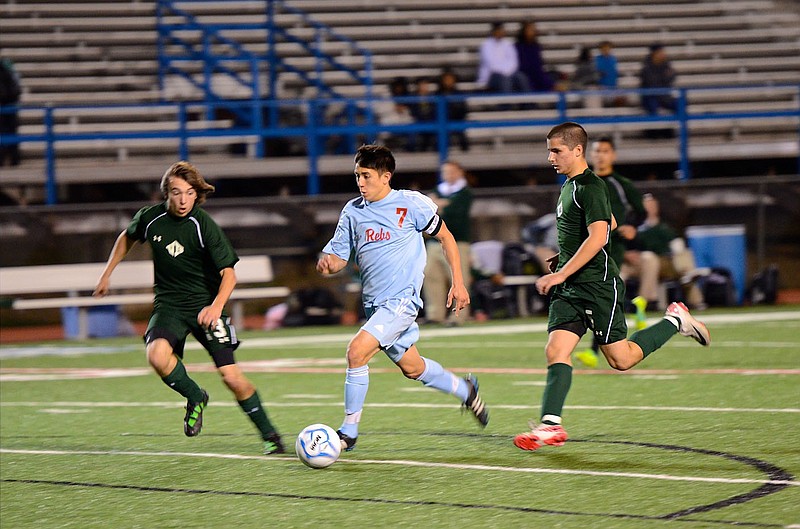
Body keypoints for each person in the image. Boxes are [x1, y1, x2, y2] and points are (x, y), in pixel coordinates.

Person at [513, 122, 710, 452]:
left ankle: (676, 320)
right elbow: (609, 224)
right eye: (549, 150)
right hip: (571, 287)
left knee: (621, 360)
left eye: (556, 150)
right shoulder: (570, 186)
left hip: (596, 286)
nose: (550, 157)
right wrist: (565, 259)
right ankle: (550, 425)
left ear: (577, 150)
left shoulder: (589, 186)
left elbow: (601, 235)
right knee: (555, 351)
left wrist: (561, 273)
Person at [93, 161, 285, 455]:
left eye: (189, 193)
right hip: (169, 305)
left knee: (232, 378)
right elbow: (126, 237)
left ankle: (270, 435)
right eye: (176, 192)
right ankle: (196, 396)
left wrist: (215, 307)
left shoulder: (203, 225)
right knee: (156, 355)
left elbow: (230, 275)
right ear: (166, 194)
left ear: (197, 195)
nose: (183, 200)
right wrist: (107, 273)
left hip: (207, 307)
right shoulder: (150, 218)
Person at [316, 144, 489, 452]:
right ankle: (465, 390)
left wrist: (458, 283)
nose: (361, 182)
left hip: (401, 302)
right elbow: (339, 256)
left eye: (366, 176)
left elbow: (446, 237)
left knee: (356, 352)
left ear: (386, 176)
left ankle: (348, 431)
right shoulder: (352, 211)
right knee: (413, 368)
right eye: (357, 175)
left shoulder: (410, 204)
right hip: (375, 307)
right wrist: (329, 264)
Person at [574, 136, 647, 368]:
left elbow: (641, 211)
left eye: (605, 151)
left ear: (612, 155)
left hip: (612, 245)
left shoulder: (620, 183)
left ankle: (594, 351)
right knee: (599, 295)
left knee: (601, 293)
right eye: (596, 151)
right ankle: (633, 306)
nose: (600, 155)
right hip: (590, 245)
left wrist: (632, 227)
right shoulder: (583, 182)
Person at [625, 193, 706, 310]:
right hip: (644, 263)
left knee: (683, 254)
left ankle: (695, 295)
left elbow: (676, 244)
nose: (650, 208)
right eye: (647, 205)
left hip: (668, 262)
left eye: (653, 205)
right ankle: (686, 275)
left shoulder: (665, 226)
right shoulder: (634, 226)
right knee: (651, 258)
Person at [423, 160, 473, 324]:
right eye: (445, 172)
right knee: (431, 275)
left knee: (458, 278)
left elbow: (454, 215)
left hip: (457, 242)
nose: (448, 175)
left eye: (451, 171)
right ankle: (435, 314)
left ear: (459, 173)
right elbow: (427, 213)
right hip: (435, 243)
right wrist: (442, 205)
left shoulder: (465, 193)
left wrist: (438, 205)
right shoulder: (439, 190)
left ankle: (458, 316)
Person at [476, 22, 531, 95]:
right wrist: (505, 72)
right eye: (499, 30)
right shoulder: (486, 45)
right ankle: (506, 105)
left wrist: (507, 72)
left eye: (502, 30)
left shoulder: (508, 44)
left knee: (522, 77)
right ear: (494, 31)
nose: (501, 32)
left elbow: (514, 62)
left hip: (509, 73)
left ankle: (528, 104)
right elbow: (491, 65)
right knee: (505, 80)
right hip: (491, 76)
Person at [515, 21, 554, 93]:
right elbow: (525, 68)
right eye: (531, 30)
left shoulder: (536, 47)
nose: (533, 32)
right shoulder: (518, 48)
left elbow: (538, 68)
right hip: (524, 80)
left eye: (534, 30)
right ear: (524, 31)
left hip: (536, 79)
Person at [639, 43, 677, 116]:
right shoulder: (646, 67)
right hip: (650, 97)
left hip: (664, 96)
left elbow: (673, 76)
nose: (663, 54)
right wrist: (665, 77)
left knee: (679, 103)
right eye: (661, 52)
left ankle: (681, 125)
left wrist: (664, 78)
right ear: (655, 53)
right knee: (653, 105)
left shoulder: (666, 64)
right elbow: (652, 83)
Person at [437, 68, 469, 151]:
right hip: (442, 122)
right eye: (446, 79)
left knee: (461, 133)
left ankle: (465, 152)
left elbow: (464, 110)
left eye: (450, 79)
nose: (448, 81)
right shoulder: (438, 94)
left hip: (457, 120)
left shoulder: (458, 94)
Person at [0, 57, 22, 167]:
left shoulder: (7, 68)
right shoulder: (9, 69)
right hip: (10, 106)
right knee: (11, 133)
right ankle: (14, 159)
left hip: (6, 107)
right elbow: (17, 89)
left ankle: (10, 159)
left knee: (7, 132)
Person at [595, 40, 626, 107]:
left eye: (608, 48)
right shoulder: (596, 60)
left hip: (613, 87)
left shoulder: (613, 59)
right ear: (600, 49)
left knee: (624, 95)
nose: (606, 50)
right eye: (604, 48)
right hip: (602, 87)